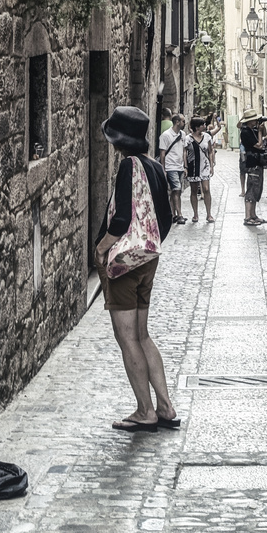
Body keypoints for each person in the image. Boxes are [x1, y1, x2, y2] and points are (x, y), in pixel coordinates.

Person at [94, 106, 178, 433]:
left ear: (118, 139)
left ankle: (145, 411)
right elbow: (166, 217)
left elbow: (121, 218)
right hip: (148, 259)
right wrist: (150, 246)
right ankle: (166, 406)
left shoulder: (129, 166)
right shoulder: (154, 166)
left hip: (125, 264)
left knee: (127, 338)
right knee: (143, 335)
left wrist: (102, 249)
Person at [184, 116, 215, 223]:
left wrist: (211, 165)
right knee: (194, 190)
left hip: (205, 165)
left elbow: (210, 151)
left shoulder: (207, 137)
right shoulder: (188, 138)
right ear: (197, 127)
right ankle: (195, 214)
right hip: (193, 166)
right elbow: (185, 152)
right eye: (203, 124)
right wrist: (185, 167)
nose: (205, 126)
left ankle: (209, 214)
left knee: (206, 189)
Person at [240, 108, 267, 227]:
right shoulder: (245, 132)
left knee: (257, 189)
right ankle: (247, 217)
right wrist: (260, 132)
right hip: (252, 163)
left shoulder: (253, 129)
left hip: (257, 162)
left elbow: (265, 134)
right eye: (254, 120)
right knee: (251, 189)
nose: (256, 121)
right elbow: (260, 145)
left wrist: (262, 129)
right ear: (249, 121)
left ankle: (253, 215)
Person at [159, 113, 187, 224]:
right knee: (177, 189)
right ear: (177, 122)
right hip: (170, 166)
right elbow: (162, 153)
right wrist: (163, 168)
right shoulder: (166, 135)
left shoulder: (183, 134)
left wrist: (185, 166)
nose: (184, 123)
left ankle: (173, 214)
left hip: (179, 166)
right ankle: (179, 215)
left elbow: (184, 151)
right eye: (183, 121)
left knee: (175, 192)